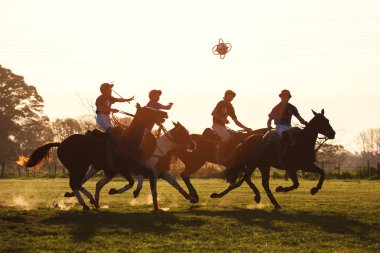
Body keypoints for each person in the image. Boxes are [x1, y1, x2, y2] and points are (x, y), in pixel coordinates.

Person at [267, 89, 308, 164]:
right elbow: (269, 120)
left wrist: (306, 123)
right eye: (283, 96)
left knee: (298, 134)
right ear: (281, 97)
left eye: (286, 96)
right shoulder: (276, 107)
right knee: (285, 135)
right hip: (280, 126)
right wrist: (269, 126)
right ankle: (280, 156)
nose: (285, 97)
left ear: (289, 97)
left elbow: (299, 118)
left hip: (289, 126)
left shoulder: (292, 107)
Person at [211, 90, 251, 164]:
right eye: (229, 95)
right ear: (225, 95)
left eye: (232, 96)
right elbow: (213, 113)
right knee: (226, 137)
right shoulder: (221, 103)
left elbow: (236, 121)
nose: (231, 97)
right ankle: (220, 157)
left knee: (234, 137)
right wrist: (222, 119)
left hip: (223, 127)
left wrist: (246, 128)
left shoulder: (231, 107)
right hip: (216, 125)